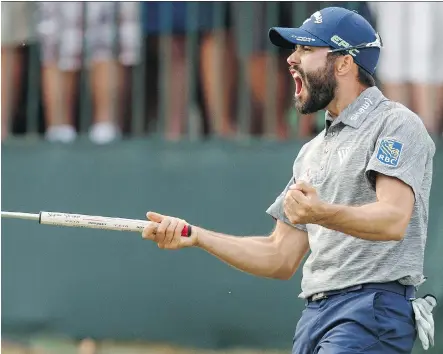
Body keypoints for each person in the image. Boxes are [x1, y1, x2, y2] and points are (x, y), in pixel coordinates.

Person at [141, 7, 437, 354]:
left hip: (371, 309)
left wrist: (321, 213)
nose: (291, 59)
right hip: (315, 314)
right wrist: (195, 236)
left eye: (307, 50)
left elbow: (393, 219)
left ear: (344, 63)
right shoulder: (311, 151)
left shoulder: (395, 124)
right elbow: (279, 256)